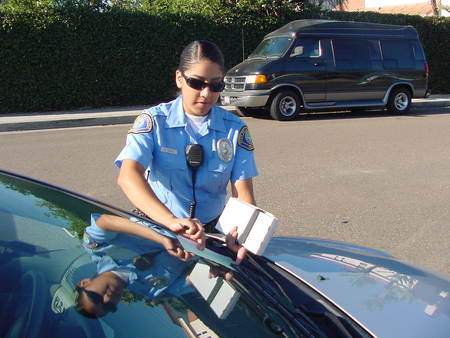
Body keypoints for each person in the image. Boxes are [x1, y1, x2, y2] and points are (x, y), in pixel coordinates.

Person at [115, 40, 259, 261]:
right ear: (179, 78)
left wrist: (240, 235)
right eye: (197, 83)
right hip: (158, 223)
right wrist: (171, 221)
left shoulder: (235, 130)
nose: (205, 93)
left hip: (210, 232)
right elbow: (128, 176)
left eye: (215, 85)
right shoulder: (154, 122)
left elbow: (243, 193)